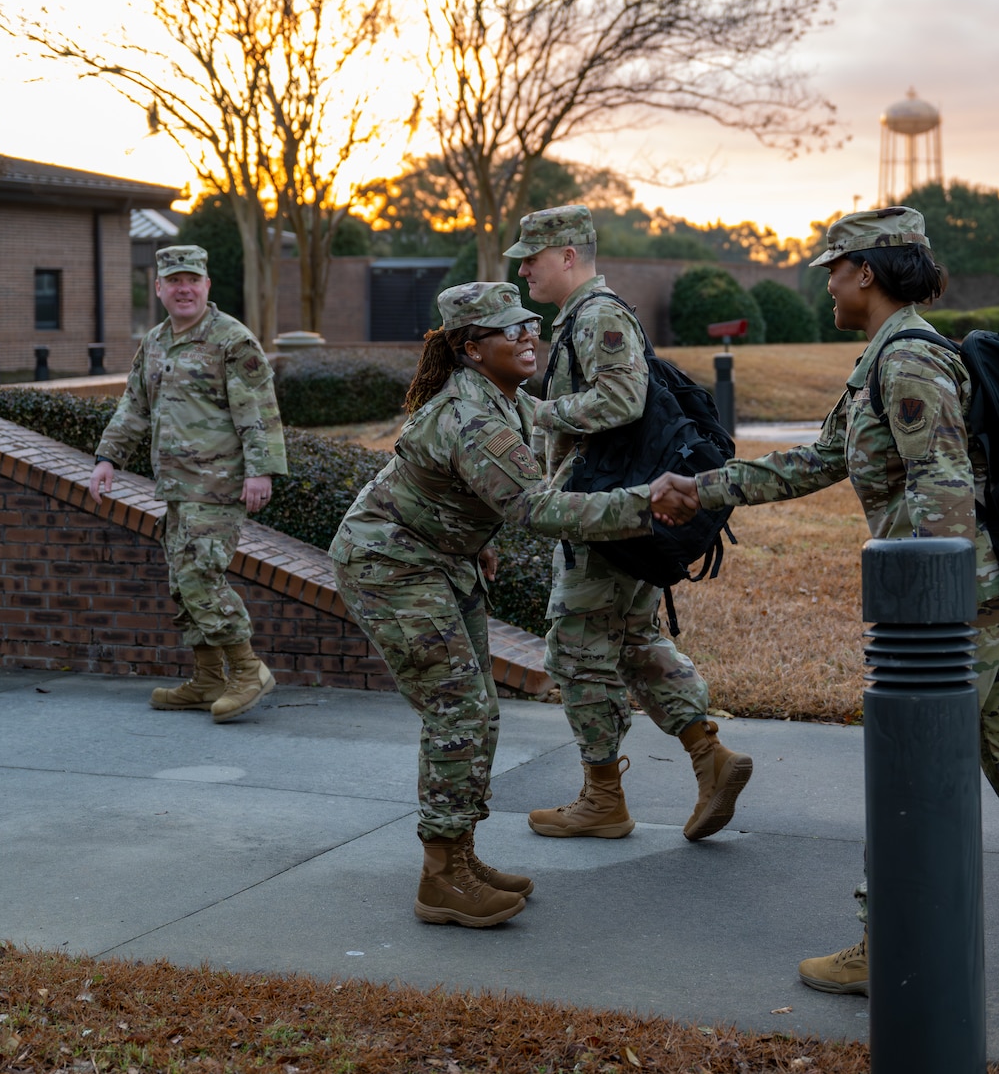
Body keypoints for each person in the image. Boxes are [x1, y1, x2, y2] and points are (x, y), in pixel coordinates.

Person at [652, 207, 999, 1000]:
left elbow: (944, 489)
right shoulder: (891, 357)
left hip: (968, 599)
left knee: (910, 765)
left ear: (867, 271)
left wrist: (933, 617)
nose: (824, 280)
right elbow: (819, 460)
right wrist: (706, 490)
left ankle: (883, 940)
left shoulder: (908, 362)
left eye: (834, 266)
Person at [329, 281, 656, 929]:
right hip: (389, 564)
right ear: (473, 349)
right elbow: (538, 508)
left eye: (529, 324)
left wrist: (472, 539)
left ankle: (461, 855)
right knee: (458, 706)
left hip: (439, 557)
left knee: (479, 707)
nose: (527, 336)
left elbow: (473, 490)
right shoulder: (470, 416)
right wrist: (649, 503)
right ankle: (440, 876)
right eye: (510, 331)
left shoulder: (506, 400)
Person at [508, 205, 753, 844]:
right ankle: (711, 757)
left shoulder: (598, 316)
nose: (524, 266)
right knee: (635, 643)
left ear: (569, 255)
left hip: (605, 512)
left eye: (533, 255)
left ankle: (603, 798)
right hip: (617, 505)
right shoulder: (582, 319)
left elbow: (622, 399)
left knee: (575, 650)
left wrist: (541, 412)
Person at [90, 244, 288, 723]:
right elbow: (134, 406)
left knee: (202, 576)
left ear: (206, 285)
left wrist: (260, 471)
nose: (184, 289)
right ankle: (207, 679)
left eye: (192, 280)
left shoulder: (231, 339)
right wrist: (106, 458)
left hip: (219, 485)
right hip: (178, 487)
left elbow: (258, 409)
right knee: (183, 583)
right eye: (174, 281)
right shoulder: (154, 342)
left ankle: (247, 671)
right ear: (158, 288)